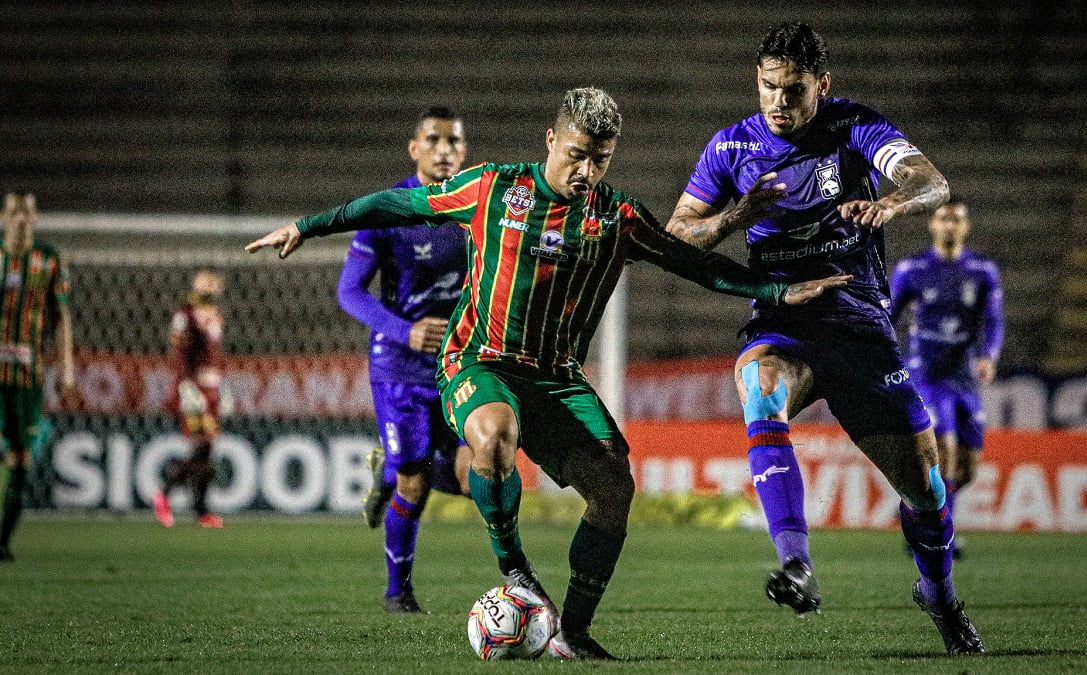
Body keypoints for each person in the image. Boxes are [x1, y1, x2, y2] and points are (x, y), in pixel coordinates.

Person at [247, 87, 850, 660]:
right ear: (551, 140)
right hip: (478, 359)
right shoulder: (493, 187)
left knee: (614, 489)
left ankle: (575, 633)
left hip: (557, 377)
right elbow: (395, 205)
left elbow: (694, 264)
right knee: (493, 434)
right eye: (577, 155)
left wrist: (776, 290)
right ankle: (516, 570)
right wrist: (308, 225)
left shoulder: (618, 216)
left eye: (600, 160)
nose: (586, 171)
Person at [665, 22, 983, 654]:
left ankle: (940, 595)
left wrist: (892, 205)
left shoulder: (855, 127)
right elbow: (676, 237)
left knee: (924, 486)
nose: (779, 102)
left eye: (794, 90)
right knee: (761, 387)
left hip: (857, 321)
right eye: (768, 87)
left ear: (823, 85)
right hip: (782, 318)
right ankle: (796, 563)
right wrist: (737, 216)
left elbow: (932, 182)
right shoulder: (730, 148)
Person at [338, 106, 474, 614]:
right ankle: (398, 592)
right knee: (415, 483)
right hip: (400, 365)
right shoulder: (389, 211)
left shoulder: (477, 208)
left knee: (479, 475)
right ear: (414, 148)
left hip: (460, 363)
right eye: (433, 139)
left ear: (464, 151)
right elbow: (350, 291)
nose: (444, 150)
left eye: (453, 141)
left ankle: (393, 469)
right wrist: (405, 330)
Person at [890, 197, 1004, 560]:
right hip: (925, 373)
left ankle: (918, 510)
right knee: (944, 450)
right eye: (943, 219)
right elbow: (887, 316)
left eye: (956, 220)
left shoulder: (982, 271)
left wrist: (988, 355)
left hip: (964, 377)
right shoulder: (912, 269)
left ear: (965, 227)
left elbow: (994, 320)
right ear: (932, 225)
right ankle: (939, 537)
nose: (949, 225)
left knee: (967, 468)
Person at [0, 190, 74, 561]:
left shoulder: (48, 259)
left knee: (21, 457)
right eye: (14, 212)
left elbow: (61, 317)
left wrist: (66, 365)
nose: (21, 218)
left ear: (35, 217)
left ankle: (2, 541)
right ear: (3, 217)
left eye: (27, 212)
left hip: (28, 375)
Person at [153, 270, 226, 529]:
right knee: (201, 445)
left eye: (215, 283)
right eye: (208, 282)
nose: (213, 286)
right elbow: (179, 352)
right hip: (193, 388)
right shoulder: (185, 313)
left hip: (211, 388)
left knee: (206, 450)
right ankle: (164, 494)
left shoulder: (213, 313)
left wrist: (218, 384)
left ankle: (201, 510)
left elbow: (214, 353)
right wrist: (186, 385)